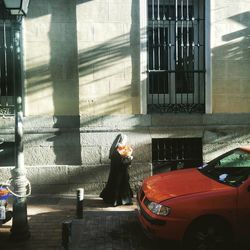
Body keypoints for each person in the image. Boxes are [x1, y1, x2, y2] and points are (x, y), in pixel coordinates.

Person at [100, 134, 133, 206]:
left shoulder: (114, 149)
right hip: (120, 173)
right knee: (119, 185)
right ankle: (118, 201)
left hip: (115, 172)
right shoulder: (119, 149)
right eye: (125, 140)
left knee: (113, 184)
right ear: (123, 140)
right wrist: (130, 158)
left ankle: (112, 199)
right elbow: (122, 163)